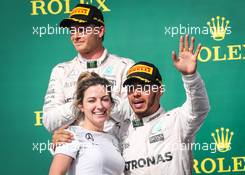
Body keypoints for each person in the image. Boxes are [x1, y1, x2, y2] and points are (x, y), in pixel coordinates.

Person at [52, 35, 210, 175]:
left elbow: (199, 108)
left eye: (144, 87)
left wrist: (190, 76)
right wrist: (63, 138)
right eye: (132, 88)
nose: (136, 93)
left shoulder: (178, 121)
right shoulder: (118, 132)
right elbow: (91, 140)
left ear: (159, 90)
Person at [43, 3, 134, 133]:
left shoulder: (124, 67)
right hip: (75, 150)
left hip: (117, 148)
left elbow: (134, 113)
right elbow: (49, 122)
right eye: (72, 31)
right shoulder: (61, 71)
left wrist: (101, 98)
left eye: (82, 30)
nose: (75, 36)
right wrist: (79, 102)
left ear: (100, 31)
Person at [49, 71, 124, 175]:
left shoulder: (114, 139)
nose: (100, 106)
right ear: (81, 106)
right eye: (91, 100)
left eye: (105, 99)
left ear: (111, 104)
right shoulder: (70, 136)